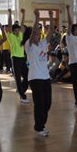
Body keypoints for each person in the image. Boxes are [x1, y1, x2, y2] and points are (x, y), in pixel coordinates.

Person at [25, 9, 54, 137]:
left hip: (45, 77)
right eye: (35, 33)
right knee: (39, 103)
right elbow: (32, 34)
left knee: (47, 102)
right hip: (35, 78)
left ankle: (41, 123)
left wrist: (51, 17)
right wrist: (37, 17)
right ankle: (38, 127)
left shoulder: (43, 44)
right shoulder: (29, 45)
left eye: (39, 33)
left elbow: (51, 31)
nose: (37, 35)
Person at [5, 8, 30, 104]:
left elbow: (22, 23)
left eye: (18, 29)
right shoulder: (11, 37)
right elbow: (10, 25)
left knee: (27, 77)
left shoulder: (20, 35)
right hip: (15, 59)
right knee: (18, 79)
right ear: (13, 31)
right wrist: (10, 14)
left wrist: (23, 14)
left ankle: (21, 90)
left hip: (22, 59)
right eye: (15, 30)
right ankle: (22, 96)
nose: (18, 31)